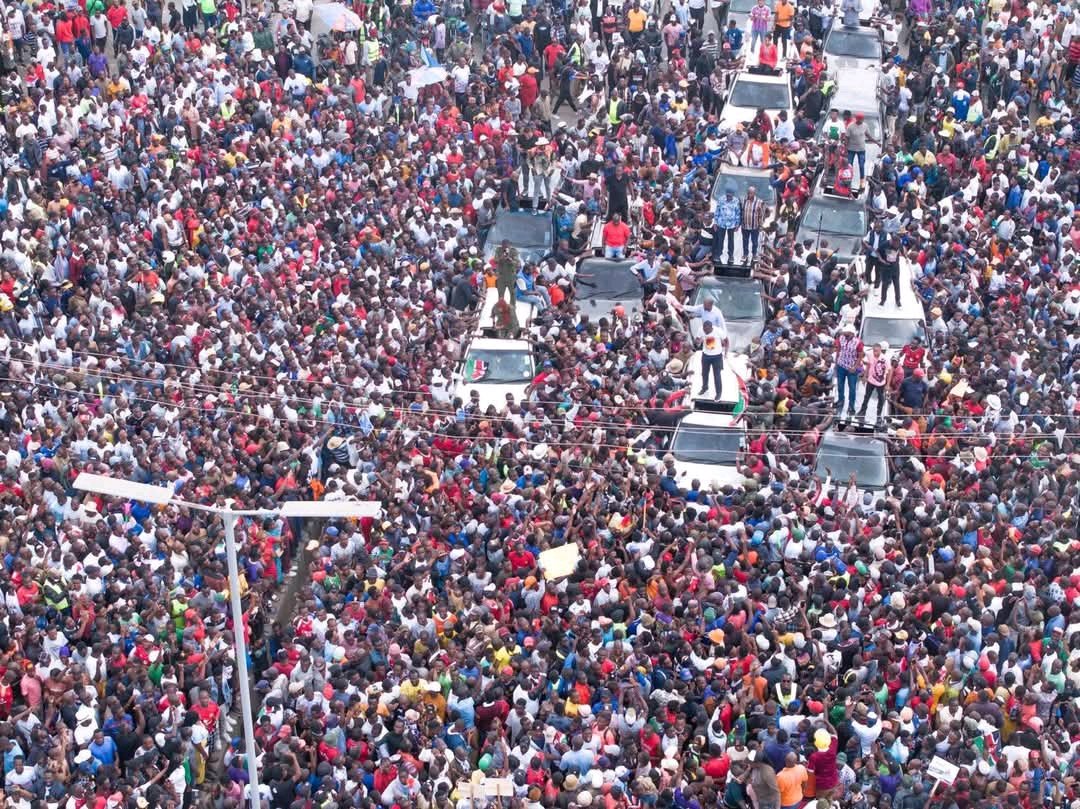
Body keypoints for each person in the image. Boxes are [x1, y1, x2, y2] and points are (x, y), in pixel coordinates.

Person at [834, 323, 863, 416]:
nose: (844, 334)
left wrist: (855, 367)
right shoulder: (841, 338)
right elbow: (838, 350)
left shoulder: (858, 342)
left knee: (852, 388)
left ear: (851, 333)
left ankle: (851, 406)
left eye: (846, 333)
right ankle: (840, 400)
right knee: (840, 385)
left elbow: (860, 356)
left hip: (851, 368)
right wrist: (836, 362)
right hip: (841, 364)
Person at [857, 341, 890, 422]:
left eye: (877, 351)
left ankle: (878, 416)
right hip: (871, 380)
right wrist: (865, 376)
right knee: (866, 396)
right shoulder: (870, 355)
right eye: (874, 350)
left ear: (880, 350)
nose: (875, 352)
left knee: (880, 399)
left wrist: (887, 384)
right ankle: (862, 412)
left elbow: (889, 372)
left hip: (880, 383)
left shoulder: (885, 359)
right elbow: (868, 365)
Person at [698, 320, 727, 399]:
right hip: (706, 355)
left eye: (707, 330)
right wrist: (698, 341)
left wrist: (726, 353)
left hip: (717, 356)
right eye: (704, 330)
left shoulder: (718, 331)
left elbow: (726, 340)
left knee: (717, 375)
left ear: (711, 327)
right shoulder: (701, 330)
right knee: (704, 373)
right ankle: (704, 387)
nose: (705, 332)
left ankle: (718, 393)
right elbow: (697, 340)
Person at [713, 185, 741, 264]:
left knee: (731, 240)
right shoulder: (721, 199)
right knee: (720, 240)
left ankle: (731, 255)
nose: (729, 197)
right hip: (721, 223)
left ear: (733, 194)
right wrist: (715, 223)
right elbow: (717, 211)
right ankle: (718, 254)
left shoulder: (736, 201)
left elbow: (738, 213)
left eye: (730, 195)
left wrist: (737, 224)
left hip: (731, 224)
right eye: (727, 195)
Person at [741, 185, 768, 263]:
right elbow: (741, 212)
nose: (750, 195)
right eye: (749, 193)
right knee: (745, 241)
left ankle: (754, 254)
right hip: (745, 226)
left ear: (754, 193)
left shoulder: (759, 202)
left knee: (755, 242)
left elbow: (761, 215)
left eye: (751, 193)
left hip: (754, 226)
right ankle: (745, 254)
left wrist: (760, 225)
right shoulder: (743, 200)